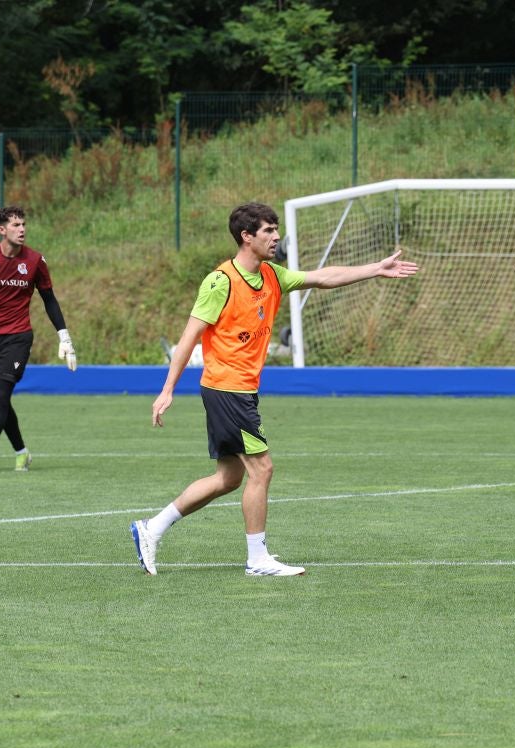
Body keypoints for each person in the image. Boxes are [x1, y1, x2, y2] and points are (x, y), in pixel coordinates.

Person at [130, 201, 419, 576]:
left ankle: (151, 529)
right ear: (246, 237)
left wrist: (374, 270)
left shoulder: (272, 275)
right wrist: (167, 389)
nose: (276, 236)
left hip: (241, 389)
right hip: (226, 388)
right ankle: (257, 559)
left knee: (229, 478)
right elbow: (188, 339)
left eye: (276, 229)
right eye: (268, 230)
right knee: (262, 469)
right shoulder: (221, 281)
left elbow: (322, 277)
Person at [0, 206, 76, 474]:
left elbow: (49, 300)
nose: (22, 229)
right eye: (15, 225)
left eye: (23, 224)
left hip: (18, 337)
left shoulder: (36, 261)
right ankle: (22, 453)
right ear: (1, 230)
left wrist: (64, 336)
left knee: (2, 395)